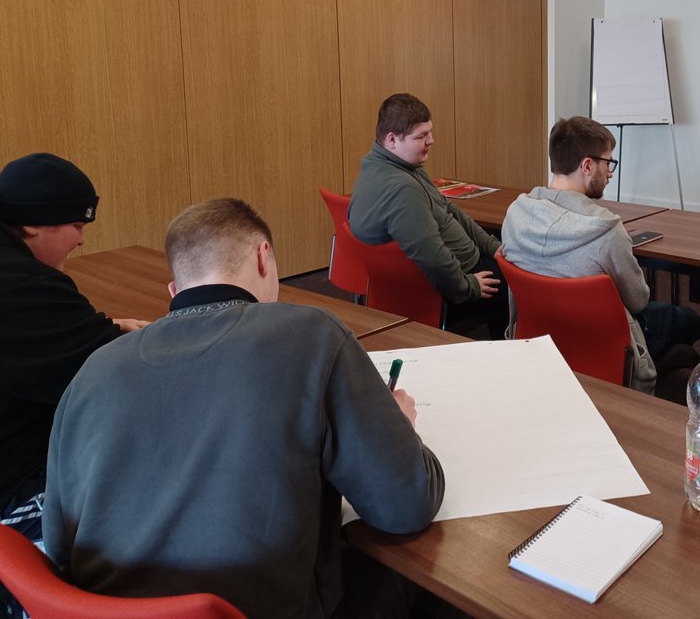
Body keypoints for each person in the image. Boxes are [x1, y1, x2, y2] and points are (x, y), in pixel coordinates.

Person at [43, 198, 444, 618]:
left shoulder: (93, 370)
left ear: (175, 291)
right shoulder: (310, 335)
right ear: (263, 256)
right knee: (423, 579)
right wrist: (400, 431)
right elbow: (406, 506)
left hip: (103, 611)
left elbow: (58, 549)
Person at [0, 152, 143, 606]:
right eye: (77, 225)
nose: (81, 239)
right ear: (33, 224)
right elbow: (118, 379)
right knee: (149, 448)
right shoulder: (13, 286)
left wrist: (97, 330)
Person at [500, 117, 700, 395]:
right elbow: (638, 300)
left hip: (538, 339)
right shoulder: (606, 230)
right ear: (587, 166)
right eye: (608, 163)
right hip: (602, 344)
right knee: (690, 321)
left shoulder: (515, 215)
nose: (610, 173)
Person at [349, 93, 506, 336]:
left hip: (446, 273)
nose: (431, 140)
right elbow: (434, 260)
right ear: (392, 140)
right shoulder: (402, 189)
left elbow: (450, 210)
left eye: (429, 132)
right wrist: (469, 286)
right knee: (518, 284)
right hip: (457, 281)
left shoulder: (392, 166)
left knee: (501, 248)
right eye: (421, 136)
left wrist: (491, 246)